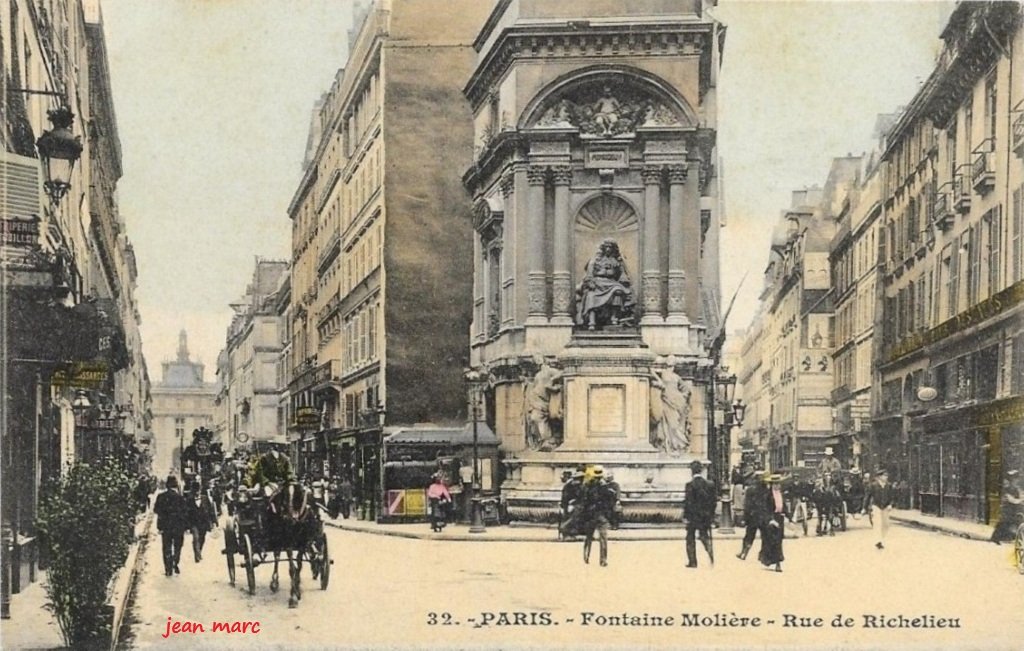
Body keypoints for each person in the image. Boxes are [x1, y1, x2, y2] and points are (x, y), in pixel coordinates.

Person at [575, 239, 636, 330]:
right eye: (606, 247)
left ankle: (614, 318)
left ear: (613, 249)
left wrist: (622, 263)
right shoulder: (594, 260)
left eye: (610, 247)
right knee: (591, 294)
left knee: (618, 290)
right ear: (603, 248)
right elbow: (589, 274)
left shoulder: (616, 261)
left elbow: (623, 275)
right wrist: (591, 282)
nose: (608, 249)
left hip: (612, 283)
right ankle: (592, 321)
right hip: (597, 282)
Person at [578, 466, 617, 566]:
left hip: (591, 515)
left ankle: (586, 556)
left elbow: (583, 500)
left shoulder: (587, 486)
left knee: (589, 537)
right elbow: (610, 501)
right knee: (603, 538)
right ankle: (602, 560)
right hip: (600, 515)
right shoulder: (605, 487)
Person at [153, 475, 189, 576]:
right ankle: (175, 562)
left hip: (166, 526)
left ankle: (168, 568)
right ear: (176, 485)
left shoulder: (161, 497)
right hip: (178, 526)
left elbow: (156, 510)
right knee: (178, 546)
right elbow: (185, 513)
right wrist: (186, 527)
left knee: (166, 547)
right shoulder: (180, 498)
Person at [683, 460, 717, 568]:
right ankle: (710, 551)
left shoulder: (690, 485)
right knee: (704, 536)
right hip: (705, 516)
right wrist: (711, 515)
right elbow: (713, 502)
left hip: (693, 517)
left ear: (692, 471)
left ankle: (692, 562)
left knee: (690, 538)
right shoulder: (709, 484)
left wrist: (686, 516)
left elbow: (688, 502)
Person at [737, 470, 769, 560]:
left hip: (753, 517)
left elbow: (747, 505)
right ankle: (763, 555)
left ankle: (744, 552)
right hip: (764, 517)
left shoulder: (750, 490)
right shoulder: (766, 490)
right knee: (765, 537)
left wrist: (745, 518)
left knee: (749, 536)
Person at [759, 474, 788, 572]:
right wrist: (770, 519)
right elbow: (765, 508)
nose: (777, 486)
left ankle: (772, 560)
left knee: (779, 541)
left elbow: (783, 506)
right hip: (771, 519)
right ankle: (777, 563)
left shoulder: (781, 493)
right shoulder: (768, 495)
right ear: (771, 485)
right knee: (773, 541)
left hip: (780, 518)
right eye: (775, 484)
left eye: (778, 484)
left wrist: (788, 516)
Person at [186, 480, 218, 562]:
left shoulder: (205, 498)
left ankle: (199, 551)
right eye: (195, 491)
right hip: (194, 523)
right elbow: (186, 512)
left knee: (202, 538)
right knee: (196, 538)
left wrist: (214, 521)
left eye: (198, 490)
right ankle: (197, 555)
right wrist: (186, 525)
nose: (197, 492)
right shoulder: (189, 500)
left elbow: (211, 510)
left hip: (204, 522)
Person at [865, 467, 896, 549]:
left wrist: (890, 504)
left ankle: (881, 539)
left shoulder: (889, 486)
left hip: (885, 506)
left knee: (886, 525)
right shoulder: (873, 485)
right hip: (876, 506)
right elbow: (867, 497)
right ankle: (877, 541)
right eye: (884, 475)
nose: (886, 477)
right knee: (877, 523)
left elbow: (892, 497)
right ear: (879, 477)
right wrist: (864, 507)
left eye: (887, 476)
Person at [991, 469, 1023, 543]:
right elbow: (1010, 499)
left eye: (1016, 479)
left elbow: (1021, 497)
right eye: (1013, 480)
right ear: (1010, 481)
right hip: (1007, 510)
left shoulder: (1017, 490)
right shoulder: (1006, 489)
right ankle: (997, 538)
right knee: (1004, 523)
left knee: (1018, 520)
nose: (1015, 481)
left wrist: (1020, 500)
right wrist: (1019, 501)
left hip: (1015, 510)